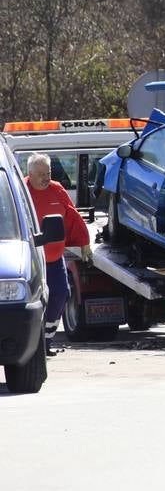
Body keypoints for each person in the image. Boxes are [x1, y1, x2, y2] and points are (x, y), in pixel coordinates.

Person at [24, 153, 91, 357]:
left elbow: (72, 215)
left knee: (61, 294)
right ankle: (29, 341)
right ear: (30, 173)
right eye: (41, 174)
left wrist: (85, 244)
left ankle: (46, 340)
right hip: (30, 261)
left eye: (48, 173)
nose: (46, 178)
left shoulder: (57, 189)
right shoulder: (21, 191)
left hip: (54, 259)